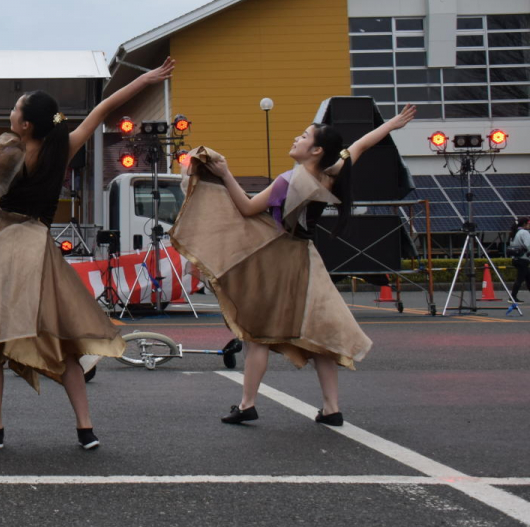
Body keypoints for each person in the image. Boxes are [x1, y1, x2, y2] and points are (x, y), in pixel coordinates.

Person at [0, 58, 175, 450]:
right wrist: (147, 78)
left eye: (16, 108)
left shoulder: (9, 155)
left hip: (4, 247)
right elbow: (104, 108)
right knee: (61, 342)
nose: (12, 110)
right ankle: (85, 428)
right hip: (39, 249)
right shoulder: (62, 149)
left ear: (25, 125)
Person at [171, 104, 416, 427]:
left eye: (303, 137)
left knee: (257, 333)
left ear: (315, 150)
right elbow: (361, 145)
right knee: (321, 337)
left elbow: (246, 208)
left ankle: (247, 404)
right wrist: (392, 125)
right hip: (307, 258)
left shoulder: (289, 181)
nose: (295, 139)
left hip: (277, 258)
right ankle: (331, 408)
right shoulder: (332, 173)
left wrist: (225, 173)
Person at [507, 217, 530, 303]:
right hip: (523, 259)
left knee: (528, 277)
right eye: (528, 223)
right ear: (524, 224)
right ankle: (512, 297)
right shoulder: (524, 232)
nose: (529, 225)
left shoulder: (514, 233)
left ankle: (513, 297)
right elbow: (528, 245)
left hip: (515, 258)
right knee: (520, 279)